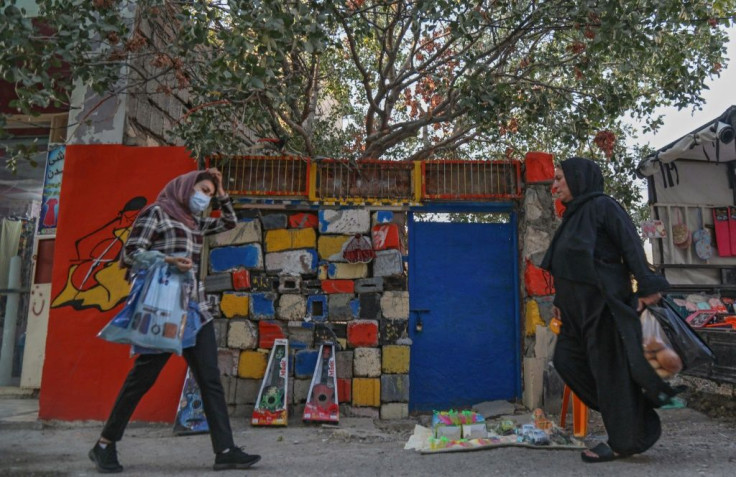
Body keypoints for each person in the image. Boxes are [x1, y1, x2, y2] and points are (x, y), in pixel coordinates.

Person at [88, 168, 261, 473]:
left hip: (196, 310)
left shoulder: (194, 223)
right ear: (184, 188)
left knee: (210, 379)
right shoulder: (157, 212)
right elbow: (130, 253)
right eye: (202, 190)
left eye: (208, 194)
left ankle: (225, 450)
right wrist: (168, 260)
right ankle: (104, 444)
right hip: (165, 309)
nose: (204, 198)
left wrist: (222, 190)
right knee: (142, 379)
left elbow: (230, 222)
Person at [541, 157, 676, 463]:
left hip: (603, 306)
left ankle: (623, 441)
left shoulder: (603, 206)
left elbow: (630, 245)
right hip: (575, 314)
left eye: (560, 178)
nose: (555, 185)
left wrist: (646, 285)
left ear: (578, 178)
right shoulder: (572, 216)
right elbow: (568, 266)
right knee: (566, 361)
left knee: (609, 372)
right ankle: (634, 412)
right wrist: (560, 304)